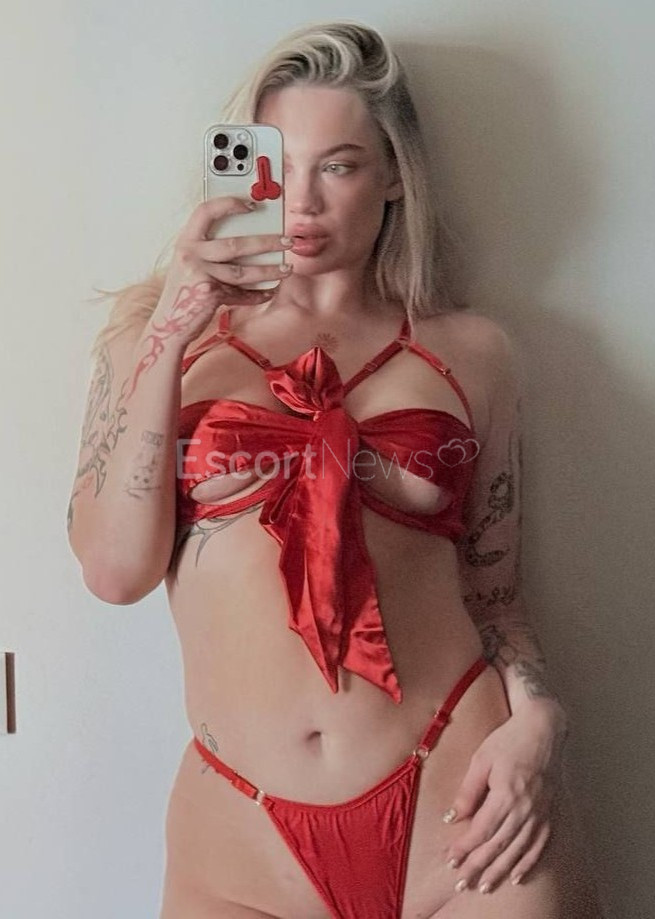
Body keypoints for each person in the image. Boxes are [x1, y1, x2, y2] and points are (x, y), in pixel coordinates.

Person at [67, 20, 604, 919]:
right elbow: (115, 572)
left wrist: (540, 724)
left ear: (393, 175)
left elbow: (495, 595)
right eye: (279, 166)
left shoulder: (473, 353)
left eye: (340, 166)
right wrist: (173, 328)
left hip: (465, 813)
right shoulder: (150, 345)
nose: (303, 201)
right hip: (243, 844)